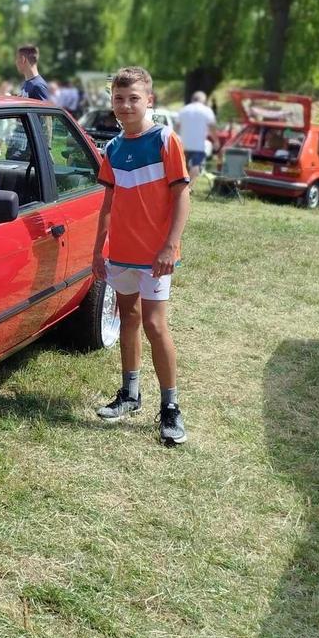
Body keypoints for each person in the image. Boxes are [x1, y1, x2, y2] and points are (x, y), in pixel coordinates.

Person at [92, 66, 191, 446]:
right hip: (120, 254)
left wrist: (169, 246)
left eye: (134, 98)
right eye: (119, 98)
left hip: (155, 257)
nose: (126, 105)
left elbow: (183, 195)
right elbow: (108, 203)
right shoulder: (113, 148)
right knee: (127, 320)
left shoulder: (165, 139)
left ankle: (171, 408)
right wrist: (97, 250)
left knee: (155, 325)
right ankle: (130, 394)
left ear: (149, 100)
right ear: (112, 103)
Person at [177, 90, 217, 183]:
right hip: (198, 144)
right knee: (196, 165)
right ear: (203, 100)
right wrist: (216, 141)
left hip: (184, 143)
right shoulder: (207, 110)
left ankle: (183, 185)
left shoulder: (184, 109)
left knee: (185, 165)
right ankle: (189, 186)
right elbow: (212, 127)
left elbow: (177, 127)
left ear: (192, 99)